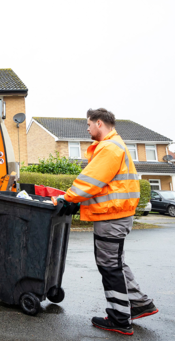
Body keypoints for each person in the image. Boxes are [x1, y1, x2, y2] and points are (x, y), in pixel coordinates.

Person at [58, 108, 158, 336]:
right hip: (117, 214)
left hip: (111, 217)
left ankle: (119, 318)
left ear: (99, 123)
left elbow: (90, 180)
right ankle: (139, 304)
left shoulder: (109, 147)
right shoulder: (117, 145)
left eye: (89, 124)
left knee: (109, 266)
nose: (87, 128)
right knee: (116, 263)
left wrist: (68, 198)